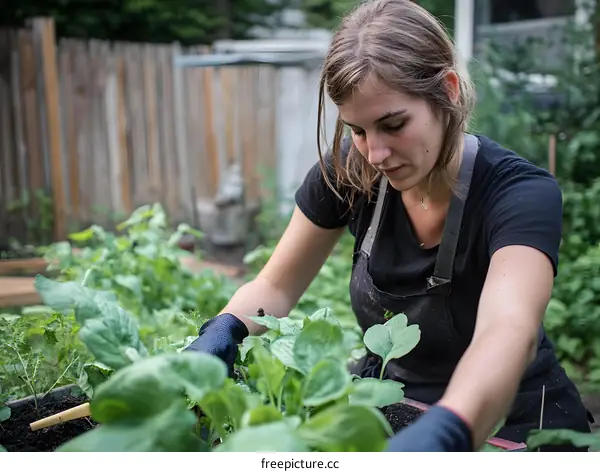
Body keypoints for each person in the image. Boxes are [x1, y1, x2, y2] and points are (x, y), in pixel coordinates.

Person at [185, 0, 593, 452]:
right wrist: (225, 329)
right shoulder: (349, 173)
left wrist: (448, 431)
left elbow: (508, 330)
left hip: (515, 426)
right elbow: (275, 288)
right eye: (358, 130)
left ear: (449, 90)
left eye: (392, 124)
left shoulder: (519, 194)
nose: (374, 154)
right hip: (392, 406)